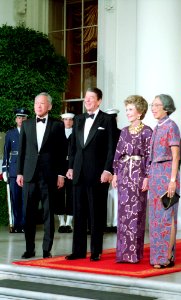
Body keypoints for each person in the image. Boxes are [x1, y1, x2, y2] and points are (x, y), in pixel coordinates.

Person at [65, 87, 117, 261]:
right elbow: (73, 147)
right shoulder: (78, 119)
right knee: (79, 213)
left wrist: (108, 170)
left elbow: (111, 148)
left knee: (96, 213)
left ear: (99, 100)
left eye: (91, 98)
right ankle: (78, 251)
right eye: (85, 98)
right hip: (78, 173)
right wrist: (71, 167)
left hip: (98, 174)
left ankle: (96, 251)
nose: (87, 100)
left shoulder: (107, 120)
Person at [16, 92, 66, 259]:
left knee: (48, 214)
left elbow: (62, 152)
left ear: (49, 106)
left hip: (49, 175)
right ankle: (29, 249)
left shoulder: (57, 126)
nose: (38, 106)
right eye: (36, 103)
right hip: (29, 175)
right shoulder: (27, 124)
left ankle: (46, 249)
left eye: (42, 103)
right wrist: (19, 173)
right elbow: (21, 151)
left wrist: (61, 174)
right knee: (28, 214)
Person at [112, 95, 152, 263]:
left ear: (140, 112)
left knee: (136, 215)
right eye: (127, 109)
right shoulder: (123, 131)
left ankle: (134, 254)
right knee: (122, 215)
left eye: (130, 109)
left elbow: (150, 156)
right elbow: (117, 154)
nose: (127, 113)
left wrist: (148, 177)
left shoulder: (147, 131)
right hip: (123, 176)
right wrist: (115, 174)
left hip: (138, 176)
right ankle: (122, 254)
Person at [148, 94, 181, 269]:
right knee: (155, 219)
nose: (153, 108)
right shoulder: (156, 127)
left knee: (167, 217)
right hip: (155, 175)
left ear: (166, 108)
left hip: (167, 175)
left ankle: (167, 257)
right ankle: (157, 256)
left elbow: (176, 156)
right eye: (152, 105)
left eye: (156, 105)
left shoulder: (172, 126)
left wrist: (173, 181)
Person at [2, 108, 29, 233]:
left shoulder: (30, 132)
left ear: (26, 119)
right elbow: (6, 153)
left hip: (27, 170)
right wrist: (4, 170)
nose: (21, 120)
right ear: (16, 119)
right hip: (13, 170)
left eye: (23, 117)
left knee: (26, 199)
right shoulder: (10, 133)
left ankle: (24, 224)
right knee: (15, 199)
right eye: (19, 117)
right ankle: (15, 224)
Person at [55, 112, 75, 234]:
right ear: (62, 121)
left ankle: (69, 223)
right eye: (65, 119)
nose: (67, 122)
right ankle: (61, 222)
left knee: (72, 193)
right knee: (59, 193)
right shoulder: (57, 134)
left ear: (73, 121)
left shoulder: (77, 134)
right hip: (59, 166)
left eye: (70, 120)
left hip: (73, 166)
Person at [104, 108, 121, 233]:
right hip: (104, 170)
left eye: (113, 118)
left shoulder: (121, 133)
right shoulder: (101, 132)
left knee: (116, 197)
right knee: (105, 198)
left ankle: (116, 223)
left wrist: (115, 171)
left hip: (117, 170)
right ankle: (106, 222)